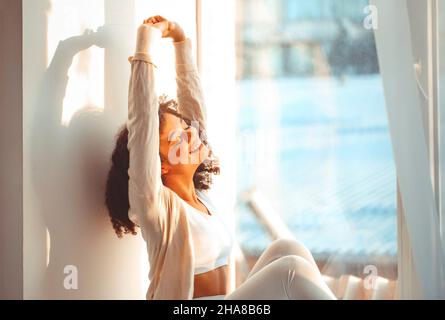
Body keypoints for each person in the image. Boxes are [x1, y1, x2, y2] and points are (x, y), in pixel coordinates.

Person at [105, 15, 336, 300]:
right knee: (290, 270)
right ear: (159, 164)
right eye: (178, 138)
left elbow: (195, 112)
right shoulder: (158, 209)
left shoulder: (200, 198)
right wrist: (144, 46)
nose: (191, 135)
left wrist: (180, 42)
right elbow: (142, 127)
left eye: (187, 129)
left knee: (288, 249)